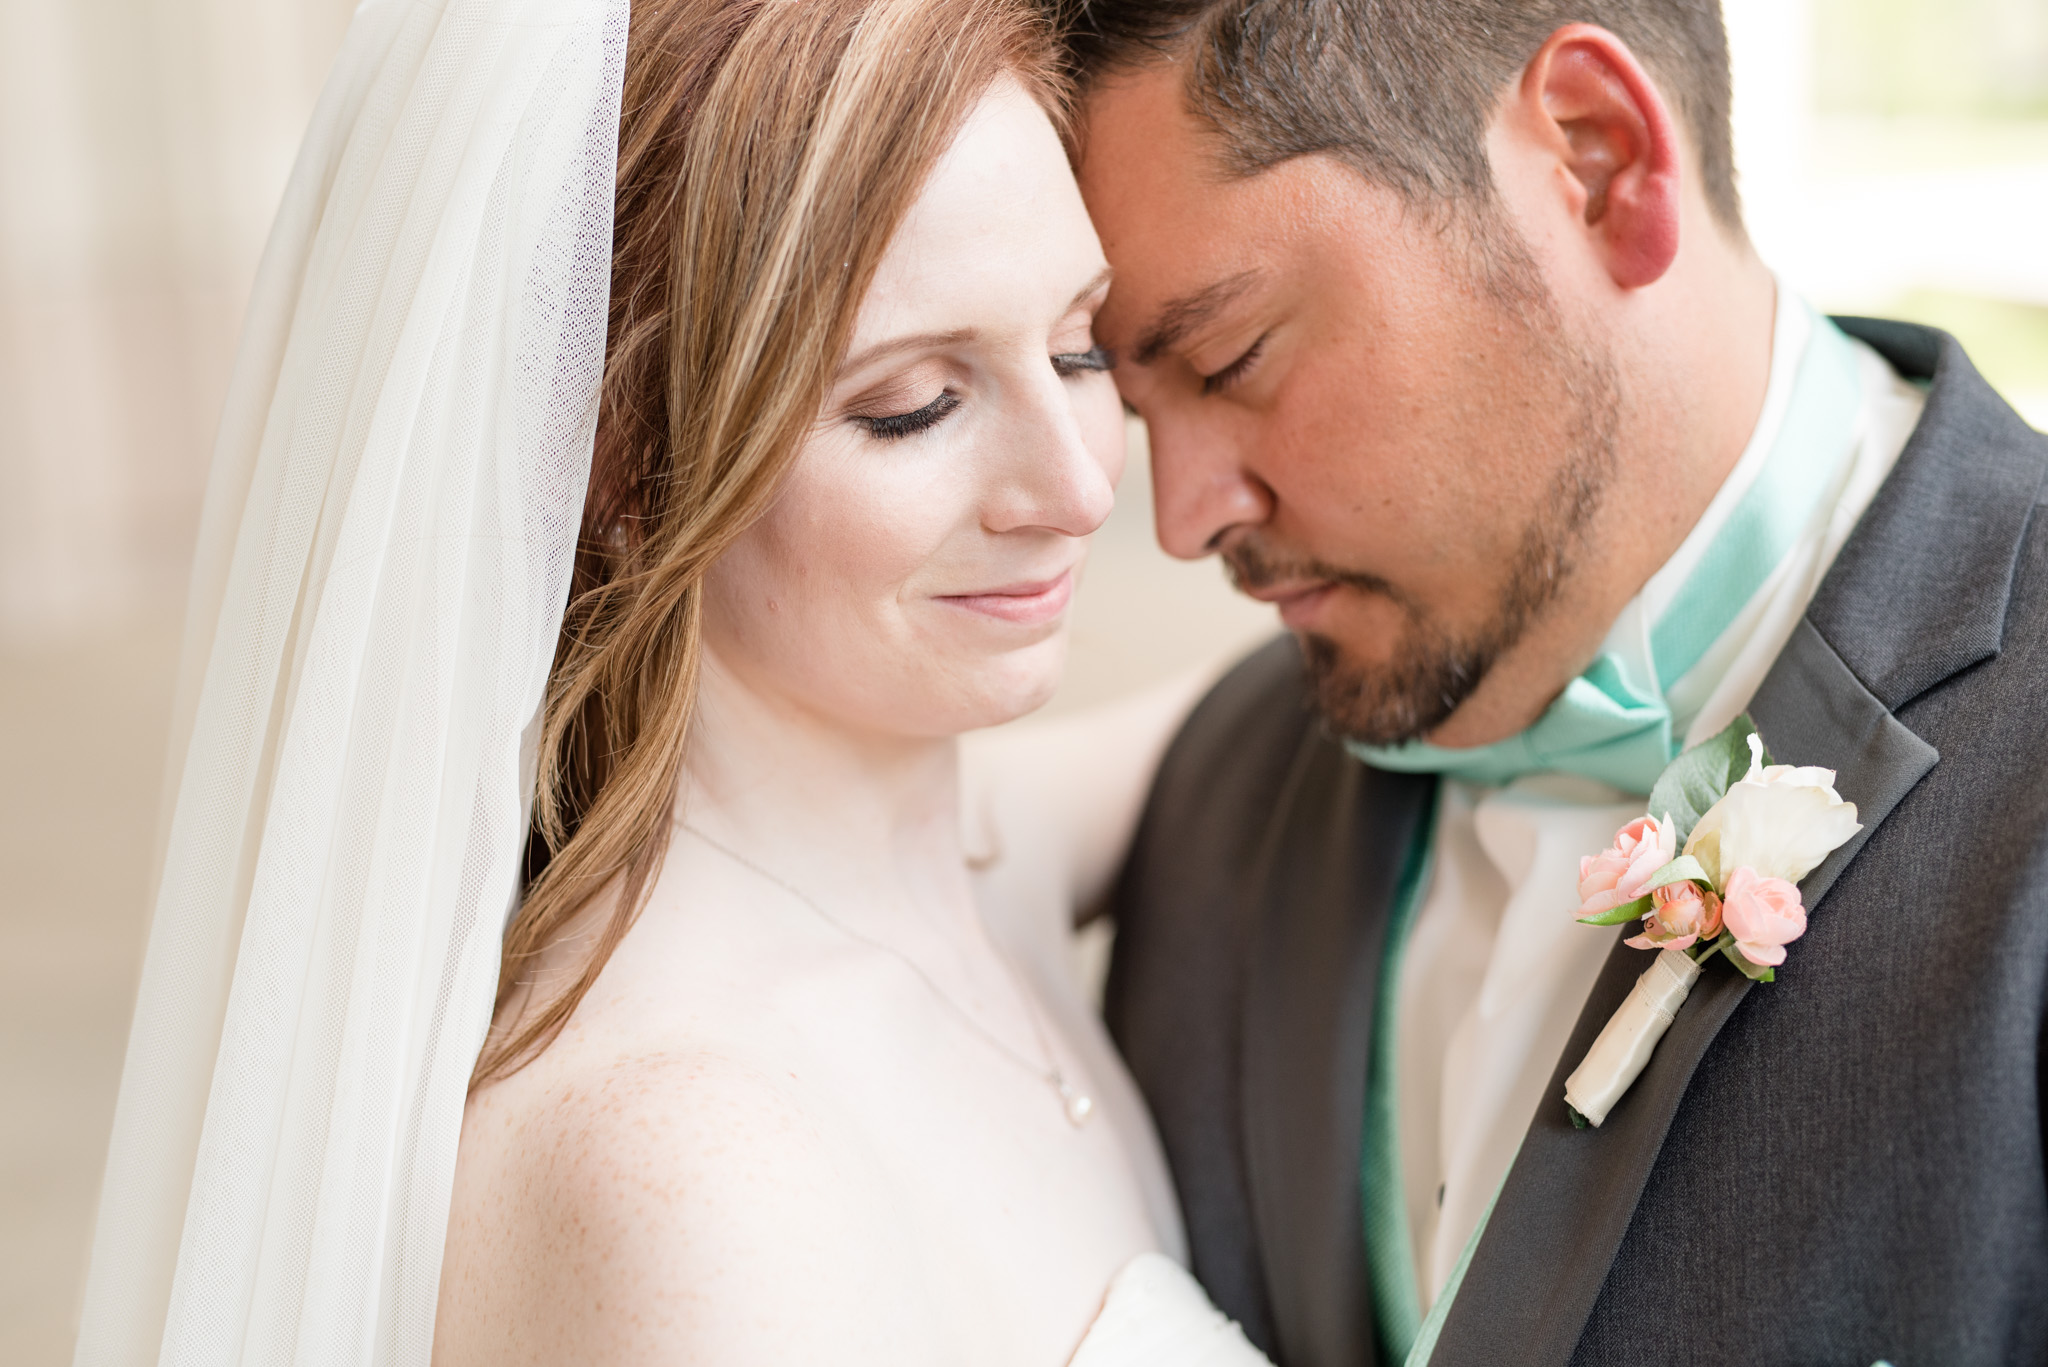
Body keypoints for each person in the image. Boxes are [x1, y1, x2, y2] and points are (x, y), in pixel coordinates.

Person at [75, 0, 1273, 1362]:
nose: (1077, 486)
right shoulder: (693, 1181)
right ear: (625, 468)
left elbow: (1268, 714)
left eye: (1078, 348)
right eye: (913, 407)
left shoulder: (961, 853)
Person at [1053, 1, 2048, 1364]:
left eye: (1231, 359)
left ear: (1597, 160)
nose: (1181, 515)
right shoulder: (1220, 797)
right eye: (1128, 401)